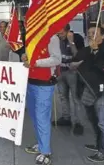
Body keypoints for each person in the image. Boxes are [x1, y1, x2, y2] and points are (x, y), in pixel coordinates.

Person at [71, 26, 104, 162]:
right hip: (87, 91)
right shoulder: (86, 50)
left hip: (102, 92)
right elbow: (75, 59)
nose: (91, 35)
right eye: (89, 33)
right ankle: (99, 145)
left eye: (94, 33)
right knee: (94, 121)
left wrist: (96, 50)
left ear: (102, 36)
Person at [22, 35, 62, 165]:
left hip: (44, 83)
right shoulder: (31, 37)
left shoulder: (52, 37)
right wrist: (24, 56)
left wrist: (35, 63)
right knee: (34, 116)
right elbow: (29, 56)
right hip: (30, 81)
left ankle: (46, 152)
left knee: (42, 117)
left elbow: (56, 59)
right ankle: (40, 144)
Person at [53, 24, 85, 135]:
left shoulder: (77, 38)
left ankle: (78, 123)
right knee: (62, 96)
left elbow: (79, 56)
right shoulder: (56, 39)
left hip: (73, 72)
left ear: (68, 31)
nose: (60, 35)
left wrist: (71, 42)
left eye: (61, 33)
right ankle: (66, 117)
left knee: (76, 98)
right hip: (61, 71)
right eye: (58, 33)